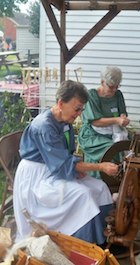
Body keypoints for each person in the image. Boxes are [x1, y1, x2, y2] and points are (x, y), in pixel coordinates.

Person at [13, 80, 118, 245]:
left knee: (100, 187)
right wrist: (100, 166)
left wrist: (76, 169)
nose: (79, 113)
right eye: (77, 109)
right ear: (61, 103)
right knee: (82, 195)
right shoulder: (44, 126)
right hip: (36, 178)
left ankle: (103, 236)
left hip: (53, 169)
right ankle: (82, 245)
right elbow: (63, 164)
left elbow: (66, 158)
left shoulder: (64, 122)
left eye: (81, 109)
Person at [78, 66, 130, 179]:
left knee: (130, 147)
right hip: (93, 134)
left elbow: (122, 114)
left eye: (117, 87)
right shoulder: (92, 95)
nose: (114, 90)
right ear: (102, 82)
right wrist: (116, 120)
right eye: (111, 87)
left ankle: (121, 179)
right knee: (112, 148)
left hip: (113, 132)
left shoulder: (118, 95)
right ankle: (100, 178)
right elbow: (96, 122)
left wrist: (123, 118)